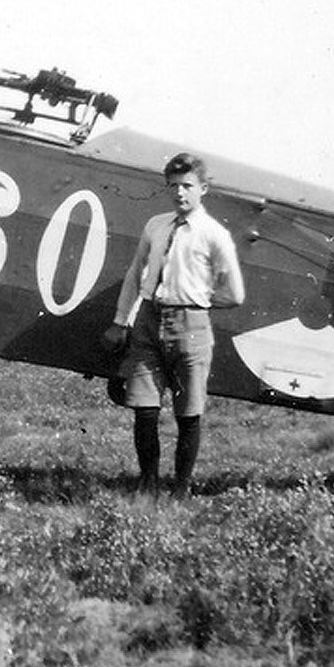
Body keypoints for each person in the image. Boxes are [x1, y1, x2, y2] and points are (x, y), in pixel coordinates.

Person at [101, 152, 245, 496]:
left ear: (203, 189)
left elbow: (235, 293)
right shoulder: (156, 225)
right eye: (174, 186)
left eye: (187, 186)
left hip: (191, 326)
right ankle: (148, 484)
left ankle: (180, 489)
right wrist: (121, 321)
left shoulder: (214, 234)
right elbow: (136, 274)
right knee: (145, 409)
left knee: (188, 413)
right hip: (150, 321)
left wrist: (198, 302)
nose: (180, 193)